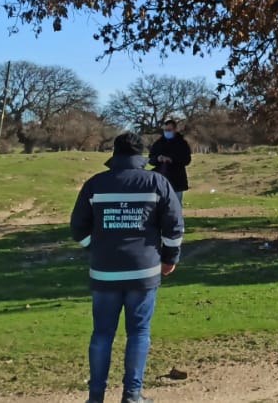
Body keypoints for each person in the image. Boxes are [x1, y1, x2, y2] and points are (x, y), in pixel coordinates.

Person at [71, 132, 184, 403]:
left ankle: (95, 397)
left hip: (104, 271)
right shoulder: (157, 182)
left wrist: (94, 248)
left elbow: (78, 227)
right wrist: (170, 258)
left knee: (101, 334)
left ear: (115, 153)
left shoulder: (95, 184)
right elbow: (174, 226)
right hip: (143, 272)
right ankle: (132, 395)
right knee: (139, 333)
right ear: (141, 155)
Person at [148, 120, 192, 200]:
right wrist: (158, 158)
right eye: (165, 130)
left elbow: (187, 160)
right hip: (160, 180)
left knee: (176, 206)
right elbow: (151, 159)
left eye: (169, 130)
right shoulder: (158, 143)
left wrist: (172, 159)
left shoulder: (182, 143)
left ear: (175, 130)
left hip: (177, 180)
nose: (166, 132)